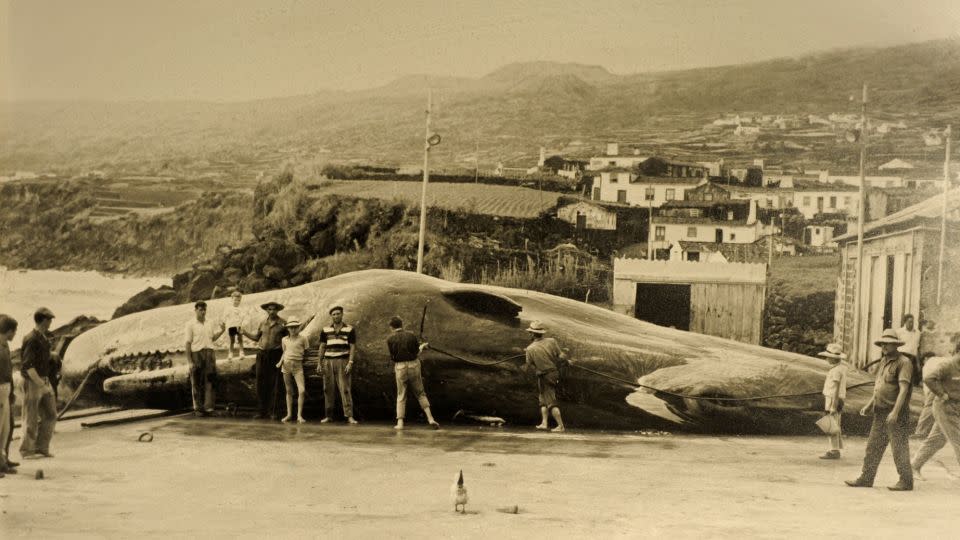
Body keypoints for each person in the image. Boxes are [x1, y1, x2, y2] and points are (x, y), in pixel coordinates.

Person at [845, 328, 914, 491]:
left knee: (899, 448)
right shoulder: (883, 361)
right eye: (882, 343)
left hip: (896, 413)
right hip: (880, 411)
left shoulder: (904, 363)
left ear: (895, 345)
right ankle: (866, 478)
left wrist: (895, 412)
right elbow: (879, 386)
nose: (884, 346)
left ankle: (906, 481)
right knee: (873, 446)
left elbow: (903, 390)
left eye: (887, 344)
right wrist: (870, 405)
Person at [911, 334, 960, 478]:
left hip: (956, 407)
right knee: (958, 439)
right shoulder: (947, 365)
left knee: (937, 440)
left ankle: (914, 466)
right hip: (945, 407)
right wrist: (942, 394)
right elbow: (929, 378)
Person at [387, 316, 439, 430]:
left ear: (391, 327)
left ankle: (400, 423)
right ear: (402, 324)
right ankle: (430, 418)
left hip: (400, 367)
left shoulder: (390, 339)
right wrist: (422, 347)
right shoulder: (411, 335)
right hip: (413, 365)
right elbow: (416, 352)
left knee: (401, 395)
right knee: (420, 393)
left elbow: (392, 356)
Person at [19, 307, 58, 460]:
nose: (50, 323)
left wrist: (51, 356)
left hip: (43, 380)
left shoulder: (42, 337)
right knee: (31, 416)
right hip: (33, 381)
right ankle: (27, 451)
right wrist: (41, 384)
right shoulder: (31, 338)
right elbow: (28, 366)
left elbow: (42, 357)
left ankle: (42, 448)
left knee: (51, 414)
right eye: (49, 320)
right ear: (42, 320)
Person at [243, 301, 287, 420]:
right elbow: (257, 337)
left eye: (274, 309)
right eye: (269, 309)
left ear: (278, 310)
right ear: (266, 310)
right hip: (262, 354)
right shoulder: (263, 323)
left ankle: (274, 412)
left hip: (276, 354)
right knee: (261, 382)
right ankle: (261, 411)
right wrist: (244, 333)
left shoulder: (283, 323)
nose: (271, 311)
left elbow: (288, 339)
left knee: (276, 383)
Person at [317, 305, 357, 424]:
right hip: (328, 361)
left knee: (345, 388)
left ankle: (349, 416)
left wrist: (350, 362)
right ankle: (328, 415)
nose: (336, 316)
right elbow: (322, 346)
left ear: (342, 314)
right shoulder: (325, 330)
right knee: (327, 388)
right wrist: (319, 363)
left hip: (343, 360)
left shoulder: (349, 329)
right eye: (334, 314)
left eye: (338, 313)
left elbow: (352, 347)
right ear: (331, 316)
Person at [523, 321, 566, 433]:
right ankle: (544, 423)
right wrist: (566, 361)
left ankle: (561, 426)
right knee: (542, 399)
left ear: (532, 334)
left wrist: (530, 356)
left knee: (550, 400)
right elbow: (561, 356)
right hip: (553, 373)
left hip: (544, 375)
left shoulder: (530, 349)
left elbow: (530, 365)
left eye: (530, 333)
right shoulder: (552, 341)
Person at [184, 301, 226, 416]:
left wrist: (222, 331)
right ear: (195, 310)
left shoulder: (210, 322)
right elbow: (188, 343)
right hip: (197, 353)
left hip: (210, 353)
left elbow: (212, 338)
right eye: (200, 310)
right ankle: (198, 408)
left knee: (210, 381)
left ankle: (209, 408)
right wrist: (190, 361)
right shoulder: (190, 324)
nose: (203, 312)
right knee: (196, 381)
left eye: (204, 310)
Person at [276, 315, 315, 423]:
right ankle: (289, 414)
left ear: (298, 327)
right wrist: (280, 362)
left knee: (301, 390)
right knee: (289, 391)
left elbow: (307, 352)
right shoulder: (284, 339)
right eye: (291, 327)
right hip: (286, 366)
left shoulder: (303, 338)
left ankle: (299, 415)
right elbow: (285, 352)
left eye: (295, 327)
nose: (293, 329)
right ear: (287, 328)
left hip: (298, 367)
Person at [818, 343, 848, 460]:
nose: (826, 359)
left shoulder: (836, 371)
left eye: (828, 357)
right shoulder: (841, 368)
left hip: (833, 399)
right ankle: (834, 448)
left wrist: (833, 405)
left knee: (832, 424)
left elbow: (835, 388)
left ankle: (834, 450)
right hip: (834, 398)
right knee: (834, 424)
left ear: (834, 358)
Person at [0, 314, 17, 475]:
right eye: (14, 331)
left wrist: (11, 391)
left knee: (6, 428)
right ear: (9, 331)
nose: (15, 334)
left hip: (5, 388)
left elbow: (8, 370)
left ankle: (3, 461)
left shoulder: (5, 345)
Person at [225, 290, 245, 359]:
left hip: (239, 325)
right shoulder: (228, 308)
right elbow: (225, 317)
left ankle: (241, 352)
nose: (237, 302)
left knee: (240, 339)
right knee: (232, 340)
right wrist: (226, 325)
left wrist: (242, 325)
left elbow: (243, 317)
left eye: (239, 300)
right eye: (235, 300)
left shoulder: (241, 309)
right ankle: (230, 353)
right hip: (231, 326)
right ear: (232, 299)